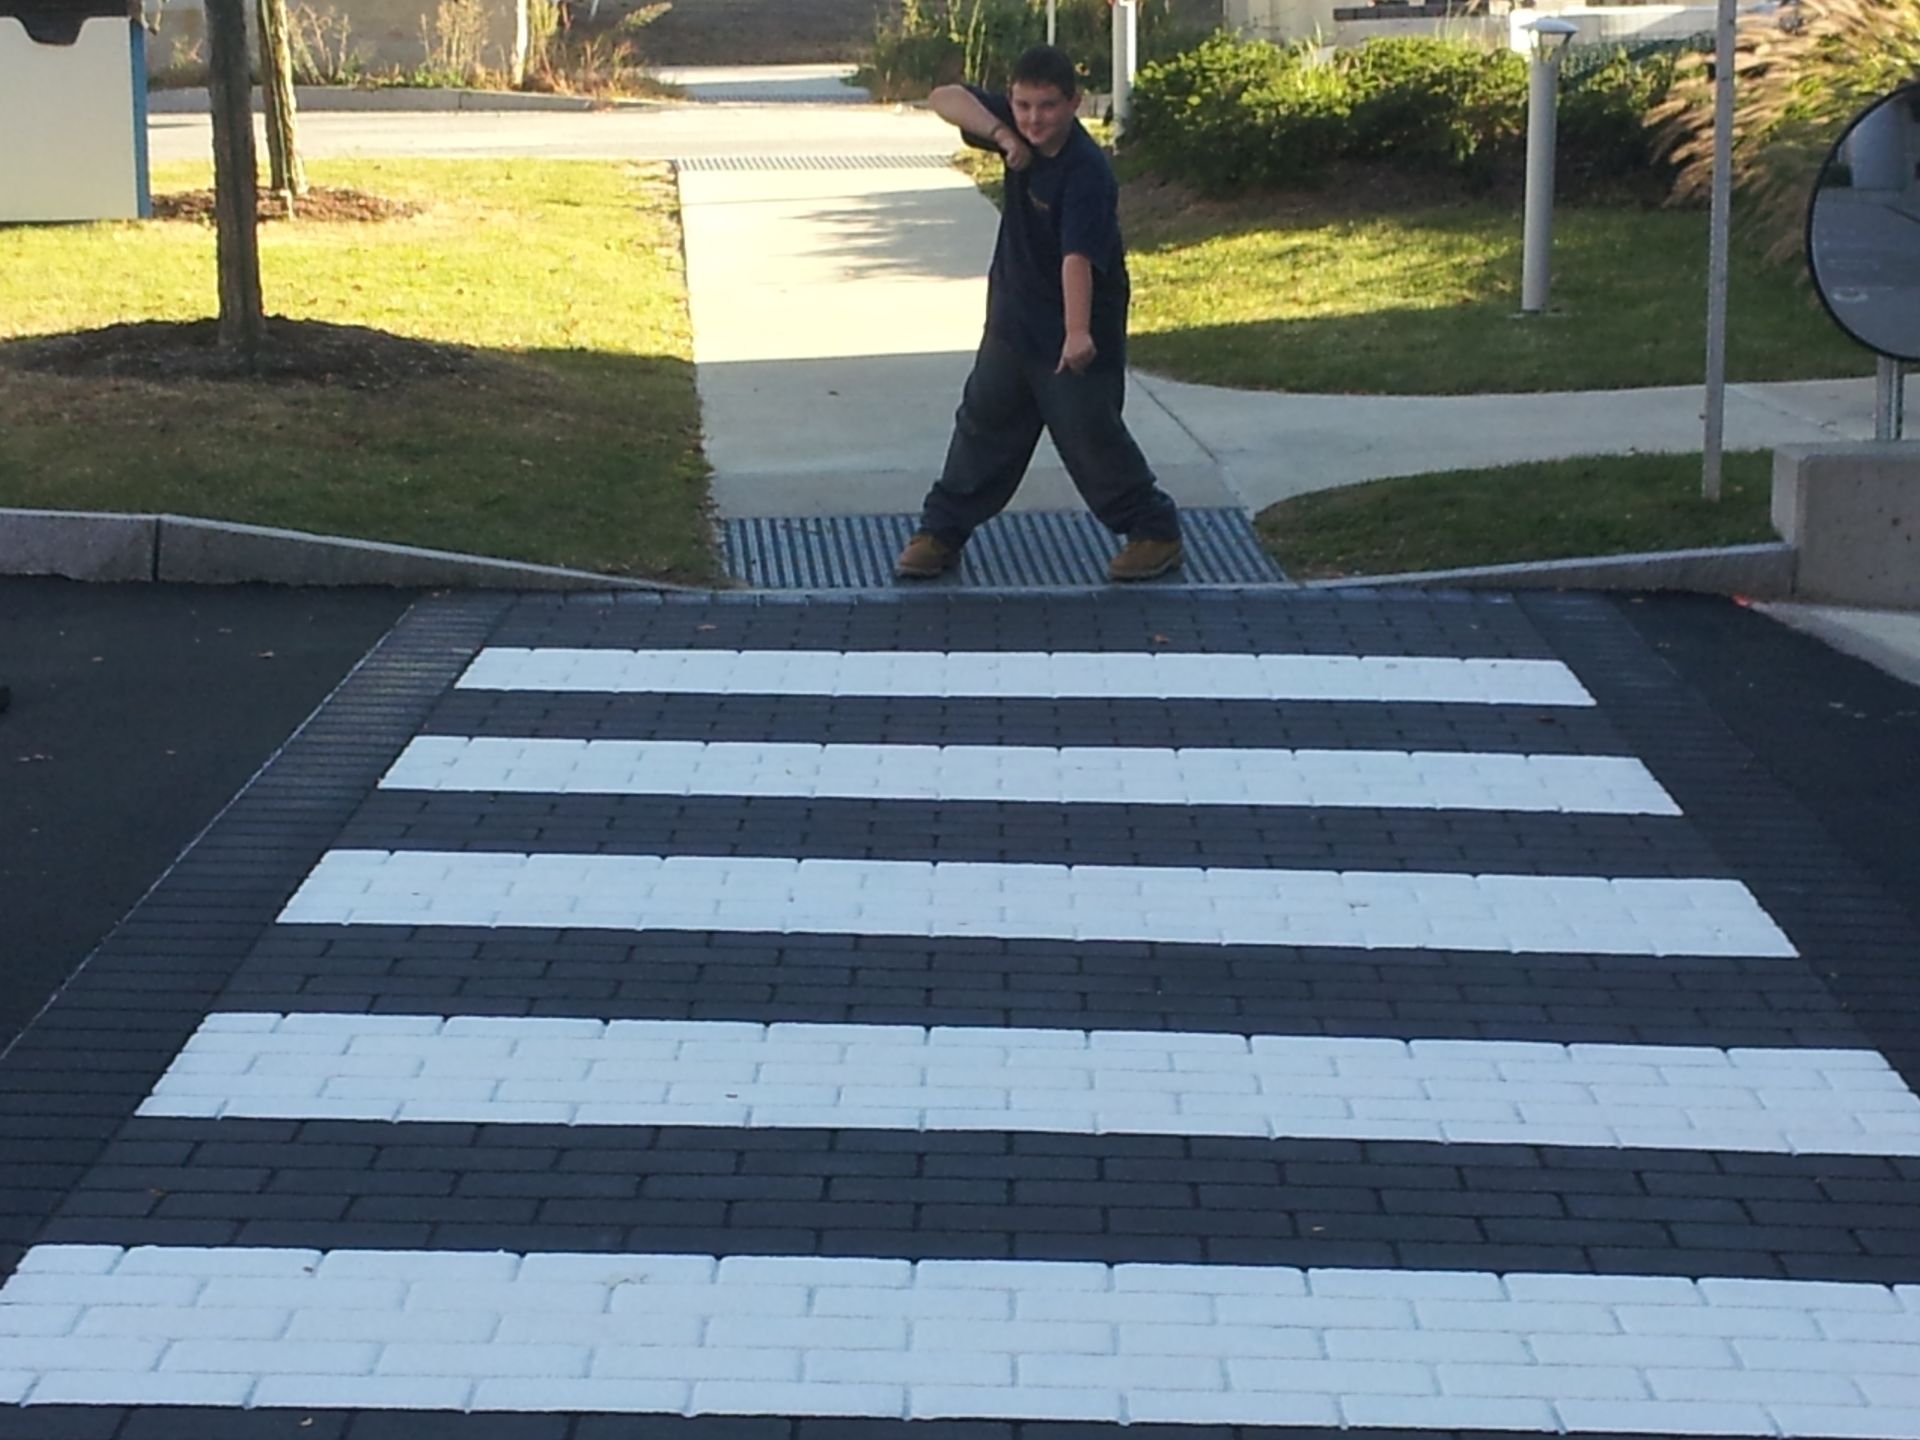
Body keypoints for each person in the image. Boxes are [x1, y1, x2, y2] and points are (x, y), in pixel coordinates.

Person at [895, 45, 1185, 584]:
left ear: (1074, 104)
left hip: (1073, 332)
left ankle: (1155, 531)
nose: (1034, 118)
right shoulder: (1015, 130)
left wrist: (1076, 334)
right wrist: (1002, 136)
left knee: (1089, 436)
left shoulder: (1086, 171)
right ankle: (941, 531)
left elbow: (1078, 258)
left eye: (1047, 106)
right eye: (1023, 105)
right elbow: (945, 97)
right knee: (981, 425)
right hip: (1011, 321)